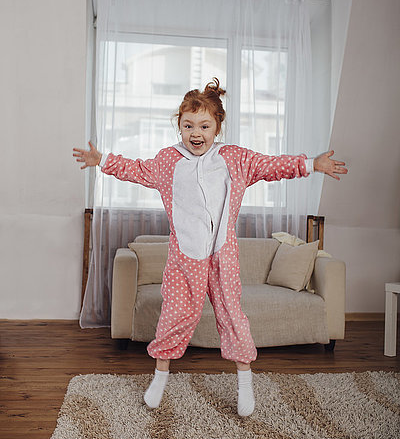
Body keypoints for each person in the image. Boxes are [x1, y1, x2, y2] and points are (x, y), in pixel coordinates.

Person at [73, 77, 348, 417]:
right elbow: (135, 169)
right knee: (174, 315)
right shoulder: (168, 161)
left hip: (223, 254)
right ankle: (159, 377)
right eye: (188, 125)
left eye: (204, 125)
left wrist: (310, 164)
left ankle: (245, 382)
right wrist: (102, 160)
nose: (195, 132)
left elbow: (271, 166)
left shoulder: (233, 159)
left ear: (218, 126)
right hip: (183, 256)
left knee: (233, 315)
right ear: (179, 127)